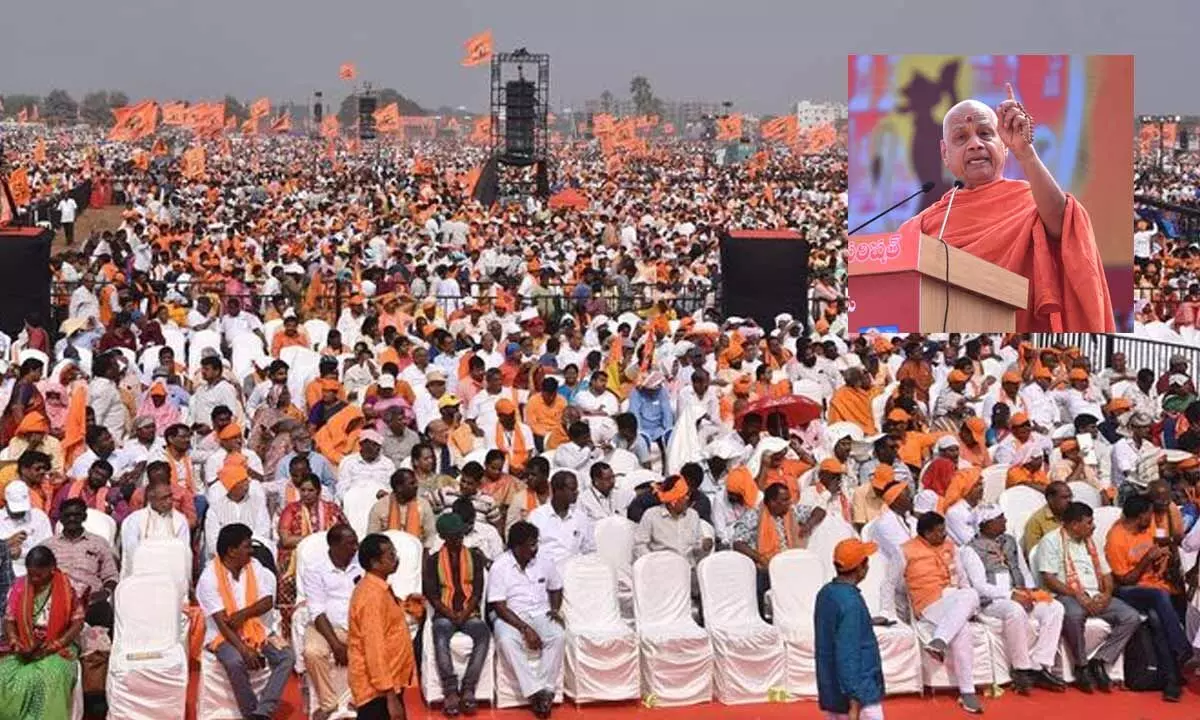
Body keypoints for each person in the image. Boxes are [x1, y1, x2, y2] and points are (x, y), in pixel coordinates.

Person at [897, 86, 1113, 331]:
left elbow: (1065, 225)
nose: (975, 144)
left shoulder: (1031, 200)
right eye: (961, 138)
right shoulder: (922, 226)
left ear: (1004, 145)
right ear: (945, 153)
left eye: (985, 134)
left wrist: (1027, 154)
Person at [1035, 501, 1140, 694]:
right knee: (1074, 615)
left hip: (1096, 594)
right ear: (1075, 524)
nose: (1093, 527)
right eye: (1089, 523)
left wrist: (1107, 594)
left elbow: (1107, 575)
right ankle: (1081, 666)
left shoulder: (1092, 542)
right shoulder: (1050, 541)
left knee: (1131, 617)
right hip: (1066, 594)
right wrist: (1078, 596)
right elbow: (1049, 578)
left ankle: (1100, 660)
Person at [960, 504, 1066, 695]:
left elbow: (1022, 568)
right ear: (985, 524)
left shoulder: (1009, 541)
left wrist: (1031, 589)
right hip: (992, 602)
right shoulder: (971, 550)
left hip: (1020, 593)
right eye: (999, 518)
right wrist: (1010, 595)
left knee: (1054, 607)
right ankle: (1021, 669)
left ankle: (1039, 665)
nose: (1005, 521)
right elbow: (979, 585)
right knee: (1014, 610)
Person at [196, 523, 295, 720]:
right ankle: (250, 712)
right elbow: (223, 623)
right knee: (235, 661)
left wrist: (242, 615)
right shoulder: (208, 578)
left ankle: (262, 712)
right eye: (247, 546)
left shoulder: (254, 567)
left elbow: (267, 602)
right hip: (222, 636)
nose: (252, 551)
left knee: (287, 656)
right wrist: (244, 649)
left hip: (259, 630)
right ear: (232, 551)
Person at [1104, 494, 1190, 701]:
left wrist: (1163, 557)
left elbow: (1161, 545)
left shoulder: (1147, 528)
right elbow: (1124, 580)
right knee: (1158, 597)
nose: (1152, 519)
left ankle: (1171, 682)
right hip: (1128, 591)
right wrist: (1146, 560)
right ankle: (1181, 647)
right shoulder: (1116, 538)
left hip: (1155, 588)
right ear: (1140, 516)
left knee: (1157, 618)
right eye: (1149, 515)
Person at [902, 512, 983, 714]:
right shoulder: (906, 551)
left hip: (954, 600)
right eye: (939, 532)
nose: (944, 534)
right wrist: (891, 612)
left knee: (967, 600)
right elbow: (890, 584)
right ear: (927, 533)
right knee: (962, 621)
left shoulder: (950, 546)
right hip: (928, 605)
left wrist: (972, 607)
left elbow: (962, 578)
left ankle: (940, 642)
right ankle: (967, 691)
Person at [487, 521, 565, 719]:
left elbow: (556, 587)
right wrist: (525, 629)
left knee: (558, 635)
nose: (535, 548)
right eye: (531, 545)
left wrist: (555, 609)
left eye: (535, 543)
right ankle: (534, 692)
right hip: (511, 616)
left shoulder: (544, 561)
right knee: (506, 640)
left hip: (541, 612)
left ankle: (546, 689)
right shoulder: (500, 566)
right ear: (517, 546)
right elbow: (499, 606)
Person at [0, 546, 85, 720]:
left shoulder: (67, 588)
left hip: (58, 644)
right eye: (30, 574)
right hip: (25, 644)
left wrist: (54, 645)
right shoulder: (19, 586)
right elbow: (9, 620)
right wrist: (16, 642)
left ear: (52, 568)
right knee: (6, 675)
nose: (34, 579)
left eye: (39, 575)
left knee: (51, 675)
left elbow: (77, 622)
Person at [423, 513, 490, 717]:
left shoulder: (475, 557)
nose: (459, 539)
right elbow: (433, 596)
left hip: (469, 612)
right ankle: (450, 691)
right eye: (454, 536)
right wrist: (451, 614)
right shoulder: (433, 562)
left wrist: (465, 613)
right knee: (440, 635)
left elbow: (477, 592)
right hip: (445, 612)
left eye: (461, 535)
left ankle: (469, 688)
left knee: (483, 634)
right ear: (444, 537)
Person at [348, 533, 417, 719]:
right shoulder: (372, 597)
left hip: (391, 682)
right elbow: (374, 648)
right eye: (391, 555)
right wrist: (389, 696)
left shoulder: (379, 589)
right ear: (375, 563)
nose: (396, 559)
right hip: (377, 692)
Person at [815, 539, 885, 720]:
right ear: (861, 568)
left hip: (833, 689)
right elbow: (848, 653)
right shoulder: (852, 603)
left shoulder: (826, 593)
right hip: (859, 697)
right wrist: (854, 702)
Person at [301, 524, 363, 720]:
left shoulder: (362, 564)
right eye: (350, 544)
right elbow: (317, 611)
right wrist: (336, 645)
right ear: (334, 546)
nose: (356, 547)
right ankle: (329, 705)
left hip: (358, 625)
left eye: (356, 542)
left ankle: (359, 699)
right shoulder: (315, 569)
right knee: (312, 652)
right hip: (324, 626)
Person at [276, 474, 348, 637]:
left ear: (319, 491)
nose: (306, 494)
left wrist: (321, 543)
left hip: (329, 558)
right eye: (303, 490)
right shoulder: (291, 510)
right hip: (295, 558)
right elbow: (286, 539)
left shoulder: (332, 509)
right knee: (287, 581)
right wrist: (317, 539)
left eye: (310, 490)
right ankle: (289, 635)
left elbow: (345, 534)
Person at [527, 470, 595, 569]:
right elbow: (529, 550)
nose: (576, 492)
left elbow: (590, 551)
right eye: (572, 489)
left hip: (576, 574)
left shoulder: (581, 518)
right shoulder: (537, 517)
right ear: (558, 491)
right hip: (546, 573)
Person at [367, 468, 437, 546]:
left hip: (417, 552)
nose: (416, 486)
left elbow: (431, 535)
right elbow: (372, 538)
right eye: (412, 483)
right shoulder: (380, 507)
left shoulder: (423, 504)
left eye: (416, 482)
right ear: (399, 488)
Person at [1022, 481, 1073, 555]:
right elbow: (1033, 554)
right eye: (1064, 497)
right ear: (1050, 499)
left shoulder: (1073, 515)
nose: (1069, 501)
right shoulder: (1036, 521)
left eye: (1070, 497)